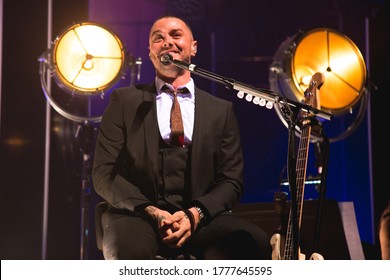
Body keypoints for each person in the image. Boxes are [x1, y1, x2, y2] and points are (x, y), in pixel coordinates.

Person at [92, 15, 271, 260]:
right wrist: (151, 211)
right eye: (158, 38)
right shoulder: (124, 101)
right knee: (128, 254)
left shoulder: (221, 110)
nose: (167, 42)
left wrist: (195, 214)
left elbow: (231, 181)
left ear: (193, 47)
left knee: (253, 244)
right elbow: (103, 174)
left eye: (176, 35)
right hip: (137, 216)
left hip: (201, 219)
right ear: (151, 52)